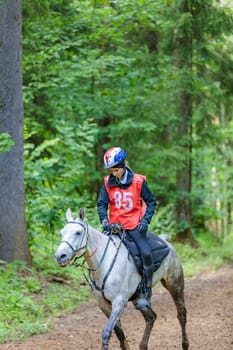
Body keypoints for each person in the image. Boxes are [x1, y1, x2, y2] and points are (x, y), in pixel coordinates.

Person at [97, 146, 156, 308]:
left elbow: (151, 202)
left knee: (145, 253)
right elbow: (101, 204)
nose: (113, 173)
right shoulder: (108, 182)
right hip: (114, 227)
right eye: (111, 170)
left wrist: (145, 221)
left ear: (123, 165)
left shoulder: (138, 181)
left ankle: (146, 292)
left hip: (134, 225)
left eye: (116, 170)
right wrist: (104, 221)